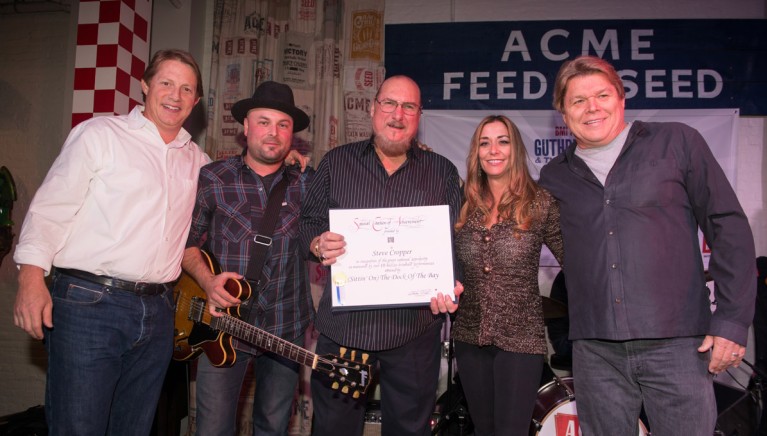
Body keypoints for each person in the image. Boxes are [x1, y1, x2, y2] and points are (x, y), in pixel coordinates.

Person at [538, 55, 756, 435]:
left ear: (621, 98)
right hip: (595, 350)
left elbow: (728, 227)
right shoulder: (554, 176)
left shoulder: (677, 142)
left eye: (602, 95)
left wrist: (733, 321)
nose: (592, 107)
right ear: (562, 111)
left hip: (678, 346)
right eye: (577, 100)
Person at [12, 49, 209, 435]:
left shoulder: (197, 160)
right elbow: (50, 209)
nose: (175, 94)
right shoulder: (99, 134)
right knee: (78, 428)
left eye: (187, 88)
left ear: (196, 101)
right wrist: (31, 281)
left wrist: (289, 167)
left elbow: (234, 190)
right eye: (166, 83)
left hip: (158, 313)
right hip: (89, 305)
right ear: (145, 85)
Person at [299, 75, 464, 436]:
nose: (397, 114)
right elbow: (306, 224)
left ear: (420, 115)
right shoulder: (336, 163)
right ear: (373, 108)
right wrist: (316, 243)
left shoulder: (443, 173)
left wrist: (452, 283)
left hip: (414, 333)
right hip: (345, 333)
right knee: (332, 431)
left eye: (409, 106)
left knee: (409, 431)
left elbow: (455, 244)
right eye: (389, 103)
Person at [181, 81, 314, 435]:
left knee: (272, 427)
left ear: (292, 134)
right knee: (213, 429)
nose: (273, 132)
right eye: (264, 121)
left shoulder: (308, 184)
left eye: (283, 124)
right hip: (222, 326)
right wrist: (208, 282)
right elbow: (186, 245)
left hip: (285, 327)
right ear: (246, 127)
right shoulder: (213, 178)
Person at [451, 115, 563, 435]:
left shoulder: (540, 203)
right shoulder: (463, 203)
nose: (493, 150)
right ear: (476, 152)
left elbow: (576, 261)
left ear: (515, 149)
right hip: (470, 338)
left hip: (520, 341)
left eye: (503, 141)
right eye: (484, 143)